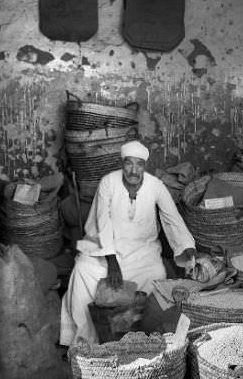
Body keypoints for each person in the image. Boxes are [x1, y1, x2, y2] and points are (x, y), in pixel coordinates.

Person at [60, 140, 197, 346]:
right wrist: (112, 261)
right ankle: (86, 340)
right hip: (106, 249)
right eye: (129, 163)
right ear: (122, 164)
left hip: (142, 250)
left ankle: (137, 338)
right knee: (82, 270)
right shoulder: (108, 182)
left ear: (145, 166)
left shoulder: (155, 186)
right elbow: (102, 221)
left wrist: (188, 247)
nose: (134, 170)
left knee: (156, 274)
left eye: (139, 164)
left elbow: (172, 218)